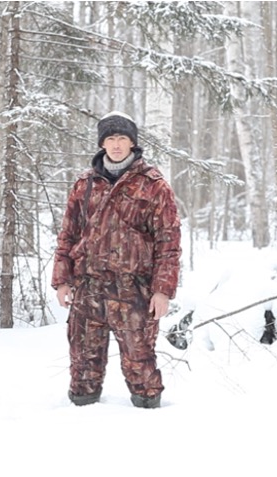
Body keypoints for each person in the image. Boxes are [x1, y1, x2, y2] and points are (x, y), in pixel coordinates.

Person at [51, 111, 182, 409]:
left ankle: (151, 419)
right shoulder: (85, 185)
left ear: (133, 143)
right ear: (102, 144)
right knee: (83, 366)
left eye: (122, 138)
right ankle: (79, 418)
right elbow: (68, 234)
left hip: (133, 289)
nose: (117, 144)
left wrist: (162, 290)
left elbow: (168, 241)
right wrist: (62, 280)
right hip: (89, 288)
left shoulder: (153, 185)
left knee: (141, 366)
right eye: (110, 138)